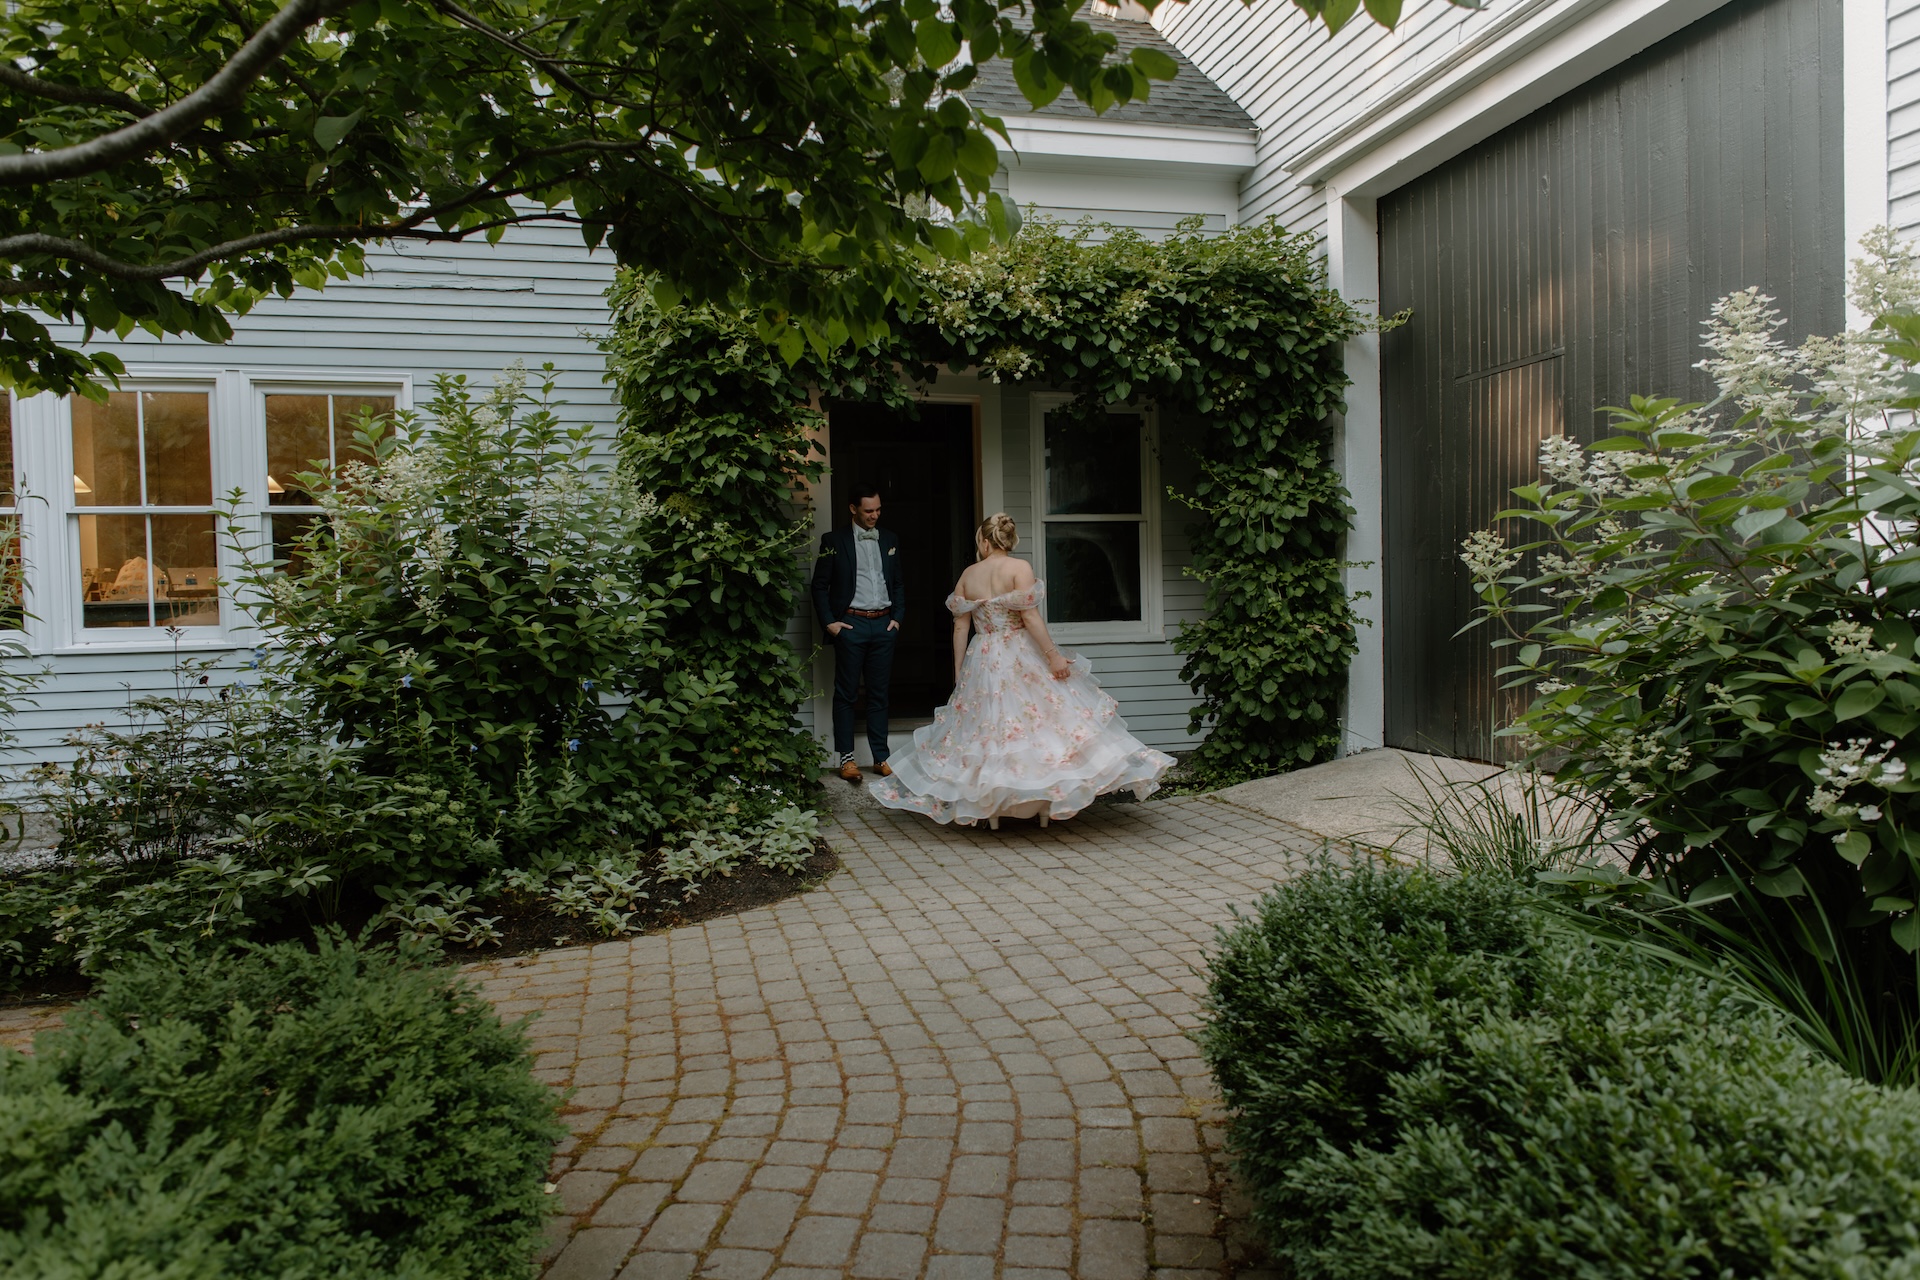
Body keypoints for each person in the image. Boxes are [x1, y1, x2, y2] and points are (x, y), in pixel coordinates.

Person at [870, 512, 1174, 828]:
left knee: (990, 727)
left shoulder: (968, 575)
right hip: (1018, 651)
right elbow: (1029, 618)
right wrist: (1053, 656)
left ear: (984, 542)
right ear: (1008, 540)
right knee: (1040, 722)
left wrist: (960, 674)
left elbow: (960, 629)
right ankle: (1038, 803)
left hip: (983, 656)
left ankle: (995, 807)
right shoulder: (1019, 568)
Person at [811, 484, 905, 783]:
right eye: (868, 511)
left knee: (879, 693)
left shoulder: (890, 539)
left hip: (883, 624)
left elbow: (899, 583)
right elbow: (819, 585)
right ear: (853, 509)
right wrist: (830, 623)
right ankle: (847, 759)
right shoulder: (833, 540)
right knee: (847, 693)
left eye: (878, 510)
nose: (874, 515)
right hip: (850, 625)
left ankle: (881, 757)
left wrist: (897, 619)